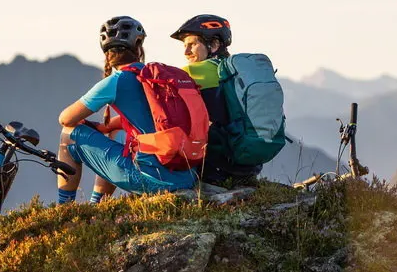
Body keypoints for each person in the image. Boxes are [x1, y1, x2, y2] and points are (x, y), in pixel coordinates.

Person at [55, 16, 198, 204]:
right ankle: (96, 205)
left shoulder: (117, 80)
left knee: (69, 135)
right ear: (139, 47)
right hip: (186, 175)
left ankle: (66, 209)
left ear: (106, 53)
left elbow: (65, 119)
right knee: (115, 133)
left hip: (151, 181)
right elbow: (154, 119)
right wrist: (107, 127)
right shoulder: (153, 77)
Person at [170, 14, 263, 186]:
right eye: (184, 46)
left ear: (213, 45)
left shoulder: (192, 71)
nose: (186, 52)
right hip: (249, 165)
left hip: (215, 168)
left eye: (192, 44)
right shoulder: (239, 70)